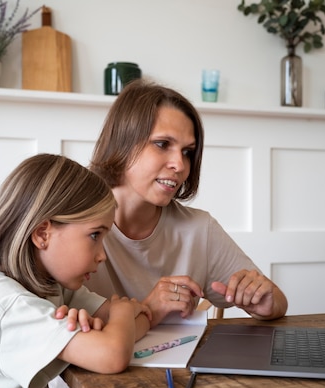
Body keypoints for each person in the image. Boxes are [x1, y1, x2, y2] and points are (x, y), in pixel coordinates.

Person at [0, 154, 151, 388]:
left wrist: (113, 328)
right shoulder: (6, 306)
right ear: (42, 234)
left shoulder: (51, 286)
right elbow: (113, 354)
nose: (102, 255)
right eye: (95, 235)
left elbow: (138, 324)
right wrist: (121, 313)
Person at [86, 79, 288, 327]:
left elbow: (276, 300)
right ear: (123, 143)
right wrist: (149, 310)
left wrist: (266, 303)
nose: (180, 166)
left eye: (187, 152)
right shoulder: (71, 222)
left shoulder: (199, 228)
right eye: (162, 144)